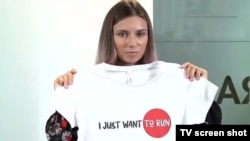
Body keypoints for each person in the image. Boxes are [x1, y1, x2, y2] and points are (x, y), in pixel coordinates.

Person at [45, 1, 219, 141]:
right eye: (122, 34)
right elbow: (58, 136)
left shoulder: (178, 78)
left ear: (148, 36)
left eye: (140, 34)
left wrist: (198, 90)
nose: (132, 43)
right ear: (109, 36)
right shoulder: (83, 83)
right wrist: (65, 97)